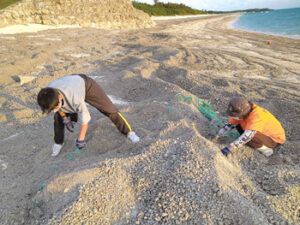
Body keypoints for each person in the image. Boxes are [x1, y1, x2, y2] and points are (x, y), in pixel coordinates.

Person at [37, 74, 140, 156]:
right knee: (58, 118)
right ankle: (58, 142)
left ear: (59, 96)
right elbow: (56, 108)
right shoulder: (47, 93)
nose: (55, 109)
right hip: (70, 86)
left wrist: (81, 138)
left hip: (86, 85)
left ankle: (129, 133)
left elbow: (85, 118)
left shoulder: (75, 98)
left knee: (110, 110)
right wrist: (64, 117)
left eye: (56, 106)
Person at [213, 97, 285, 157]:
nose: (235, 117)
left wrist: (229, 148)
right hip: (262, 132)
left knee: (250, 136)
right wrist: (217, 136)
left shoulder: (256, 116)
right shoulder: (242, 112)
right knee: (239, 125)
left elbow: (247, 136)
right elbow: (230, 125)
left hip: (275, 140)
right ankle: (256, 142)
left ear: (243, 113)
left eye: (236, 115)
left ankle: (267, 151)